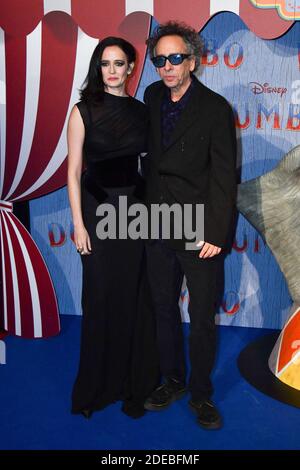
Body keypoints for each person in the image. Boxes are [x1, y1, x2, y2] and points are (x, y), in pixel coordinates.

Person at [143, 21, 237, 429]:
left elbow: (223, 176)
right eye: (160, 59)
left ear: (193, 61)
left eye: (175, 58)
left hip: (200, 230)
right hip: (156, 223)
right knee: (163, 309)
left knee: (201, 318)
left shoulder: (216, 108)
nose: (167, 66)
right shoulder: (149, 96)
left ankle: (201, 394)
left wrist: (217, 233)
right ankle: (173, 380)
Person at [67, 37, 158, 419]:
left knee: (134, 297)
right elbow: (73, 172)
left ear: (131, 67)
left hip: (134, 213)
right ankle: (97, 387)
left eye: (119, 63)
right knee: (101, 297)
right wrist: (78, 225)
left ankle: (132, 385)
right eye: (105, 64)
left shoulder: (142, 112)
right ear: (97, 68)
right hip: (97, 211)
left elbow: (150, 165)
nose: (113, 71)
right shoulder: (83, 110)